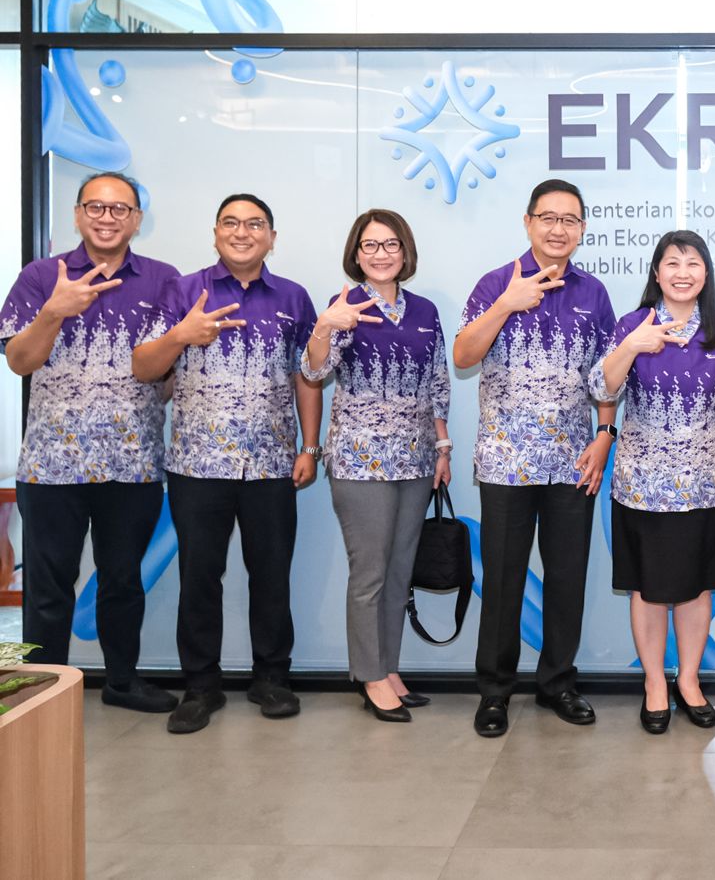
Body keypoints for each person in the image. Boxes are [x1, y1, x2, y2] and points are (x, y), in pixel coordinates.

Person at [132, 194, 321, 734]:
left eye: (255, 224)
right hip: (197, 465)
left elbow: (307, 375)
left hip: (271, 464)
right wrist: (180, 335)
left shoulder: (293, 297)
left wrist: (309, 447)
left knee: (272, 576)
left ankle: (272, 679)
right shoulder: (183, 290)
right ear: (215, 233)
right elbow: (144, 366)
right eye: (231, 223)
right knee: (199, 578)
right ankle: (200, 686)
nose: (243, 232)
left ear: (272, 237)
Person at [1, 172, 178, 712]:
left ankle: (122, 681)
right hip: (52, 465)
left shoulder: (164, 280)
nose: (107, 218)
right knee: (48, 586)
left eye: (120, 209)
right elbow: (19, 361)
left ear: (137, 220)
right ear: (78, 215)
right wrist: (54, 311)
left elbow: (168, 374)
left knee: (122, 581)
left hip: (133, 463)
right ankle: (42, 694)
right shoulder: (41, 276)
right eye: (96, 207)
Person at [455, 179, 617, 738]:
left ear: (582, 229)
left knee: (567, 577)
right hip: (506, 461)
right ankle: (495, 691)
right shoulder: (495, 282)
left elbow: (606, 373)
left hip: (574, 459)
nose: (558, 229)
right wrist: (506, 304)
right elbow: (463, 355)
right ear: (528, 222)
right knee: (503, 579)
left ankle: (558, 684)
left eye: (569, 220)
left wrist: (605, 432)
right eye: (548, 218)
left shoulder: (593, 292)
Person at [590, 230, 715, 734]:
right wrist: (631, 346)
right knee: (647, 588)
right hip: (642, 486)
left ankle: (689, 680)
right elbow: (601, 389)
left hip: (706, 487)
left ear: (706, 274)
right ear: (657, 273)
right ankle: (654, 684)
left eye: (693, 263)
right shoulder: (632, 324)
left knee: (695, 587)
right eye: (672, 263)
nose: (683, 273)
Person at [302, 210, 451, 723]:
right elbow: (314, 370)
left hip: (416, 458)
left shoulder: (425, 310)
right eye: (370, 245)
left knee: (398, 570)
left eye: (390, 244)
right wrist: (325, 325)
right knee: (369, 573)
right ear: (356, 253)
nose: (381, 254)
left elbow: (438, 382)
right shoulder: (345, 304)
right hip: (360, 460)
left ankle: (388, 668)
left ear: (405, 251)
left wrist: (443, 447)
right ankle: (368, 675)